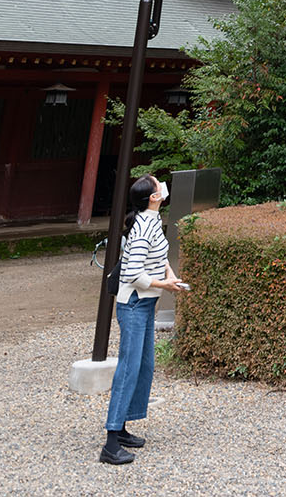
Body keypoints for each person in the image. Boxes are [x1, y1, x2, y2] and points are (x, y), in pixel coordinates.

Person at [100, 174, 188, 466]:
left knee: (145, 366)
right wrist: (166, 286)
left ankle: (123, 426)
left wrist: (169, 273)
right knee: (129, 368)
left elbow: (158, 254)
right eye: (157, 184)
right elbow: (133, 274)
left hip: (146, 303)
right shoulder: (142, 228)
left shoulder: (150, 220)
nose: (163, 186)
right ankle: (111, 443)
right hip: (135, 304)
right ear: (153, 197)